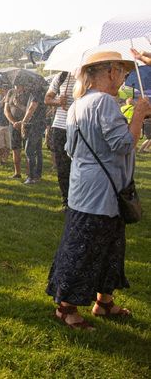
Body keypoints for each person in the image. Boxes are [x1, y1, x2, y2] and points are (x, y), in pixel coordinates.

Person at [46, 51, 150, 330]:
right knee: (86, 248)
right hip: (101, 192)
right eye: (122, 72)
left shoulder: (80, 103)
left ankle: (104, 301)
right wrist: (138, 115)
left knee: (110, 246)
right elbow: (124, 144)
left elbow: (70, 149)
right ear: (110, 72)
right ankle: (66, 308)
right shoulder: (104, 102)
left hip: (87, 187)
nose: (124, 77)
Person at [45, 72, 75, 208]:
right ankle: (66, 200)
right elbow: (47, 99)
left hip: (79, 126)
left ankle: (78, 199)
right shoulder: (61, 76)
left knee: (79, 165)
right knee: (62, 166)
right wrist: (57, 101)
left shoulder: (88, 75)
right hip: (60, 127)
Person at [21, 83, 48, 184]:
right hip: (40, 124)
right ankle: (38, 175)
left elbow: (32, 108)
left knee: (29, 151)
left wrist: (24, 121)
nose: (26, 87)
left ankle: (31, 176)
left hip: (34, 125)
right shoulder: (42, 93)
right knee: (38, 151)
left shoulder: (35, 94)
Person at [4, 83, 29, 179]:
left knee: (27, 149)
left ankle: (29, 173)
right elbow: (6, 110)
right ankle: (17, 172)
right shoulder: (11, 92)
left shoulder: (28, 94)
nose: (17, 87)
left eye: (19, 85)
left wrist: (18, 104)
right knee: (15, 149)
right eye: (16, 85)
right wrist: (13, 122)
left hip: (26, 124)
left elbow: (30, 110)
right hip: (13, 125)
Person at [0, 87, 11, 166]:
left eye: (5, 88)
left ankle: (5, 159)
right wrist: (3, 99)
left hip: (9, 123)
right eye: (2, 88)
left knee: (8, 144)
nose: (3, 90)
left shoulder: (12, 97)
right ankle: (1, 159)